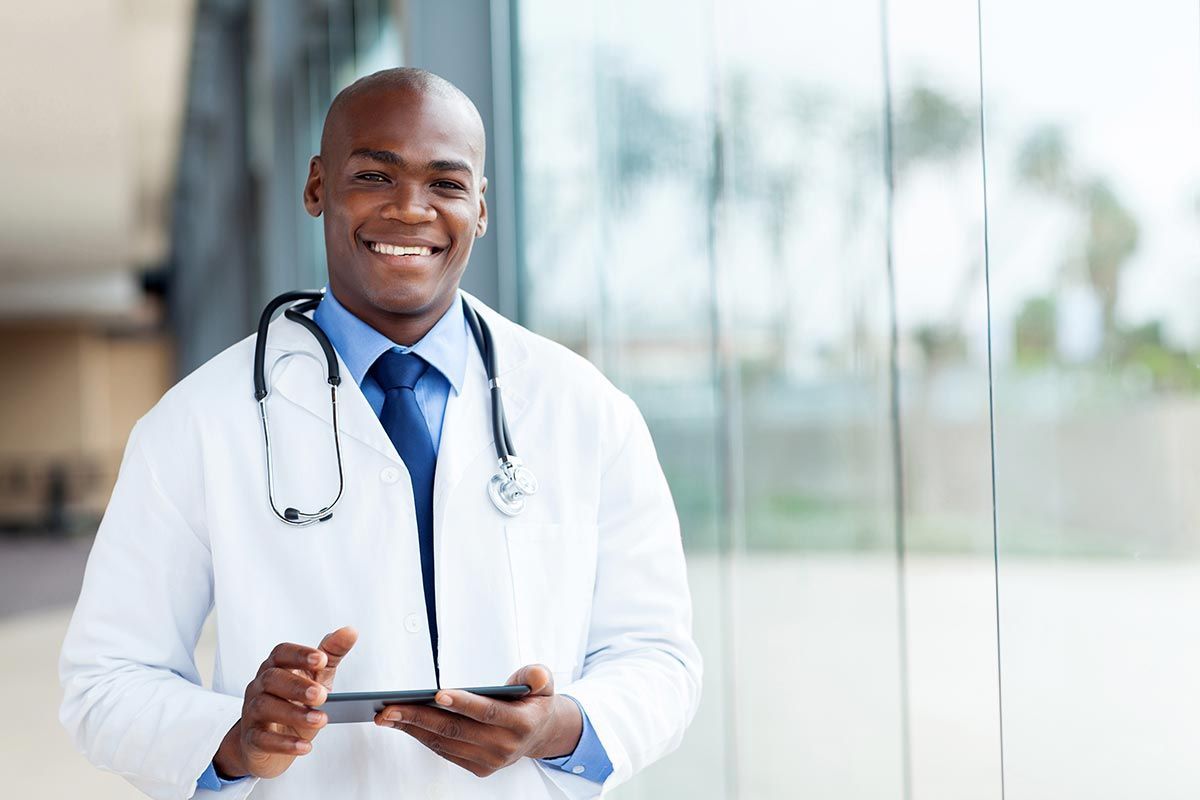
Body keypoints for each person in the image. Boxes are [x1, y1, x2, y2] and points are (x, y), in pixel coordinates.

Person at [58, 67, 701, 799]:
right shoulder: (197, 421)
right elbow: (105, 681)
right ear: (316, 188)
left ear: (480, 208)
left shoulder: (585, 408)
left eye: (447, 185)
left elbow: (659, 660)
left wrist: (559, 728)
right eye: (374, 175)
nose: (410, 210)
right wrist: (235, 741)